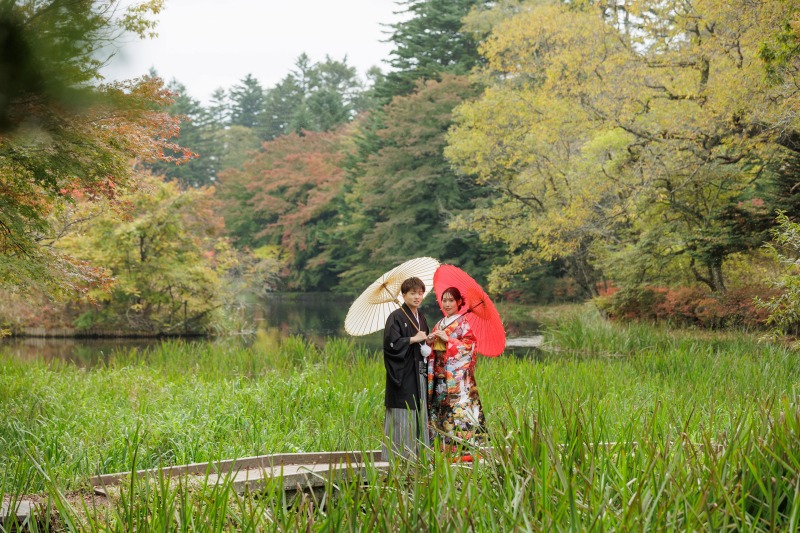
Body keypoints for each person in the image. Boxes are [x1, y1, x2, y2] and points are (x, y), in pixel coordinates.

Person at [426, 286, 486, 449]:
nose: (447, 304)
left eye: (451, 300)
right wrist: (430, 342)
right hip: (439, 378)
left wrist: (449, 340)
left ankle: (463, 449)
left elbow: (469, 348)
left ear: (459, 302)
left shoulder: (464, 323)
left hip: (457, 380)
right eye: (444, 300)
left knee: (459, 413)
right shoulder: (440, 324)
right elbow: (433, 352)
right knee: (440, 412)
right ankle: (440, 448)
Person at [382, 276, 430, 461]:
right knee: (403, 411)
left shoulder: (421, 317)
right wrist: (412, 339)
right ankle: (398, 456)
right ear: (403, 295)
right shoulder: (395, 317)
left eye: (420, 293)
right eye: (412, 293)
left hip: (419, 372)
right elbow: (391, 345)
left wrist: (427, 341)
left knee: (420, 410)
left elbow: (422, 341)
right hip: (403, 374)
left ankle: (420, 455)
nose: (417, 297)